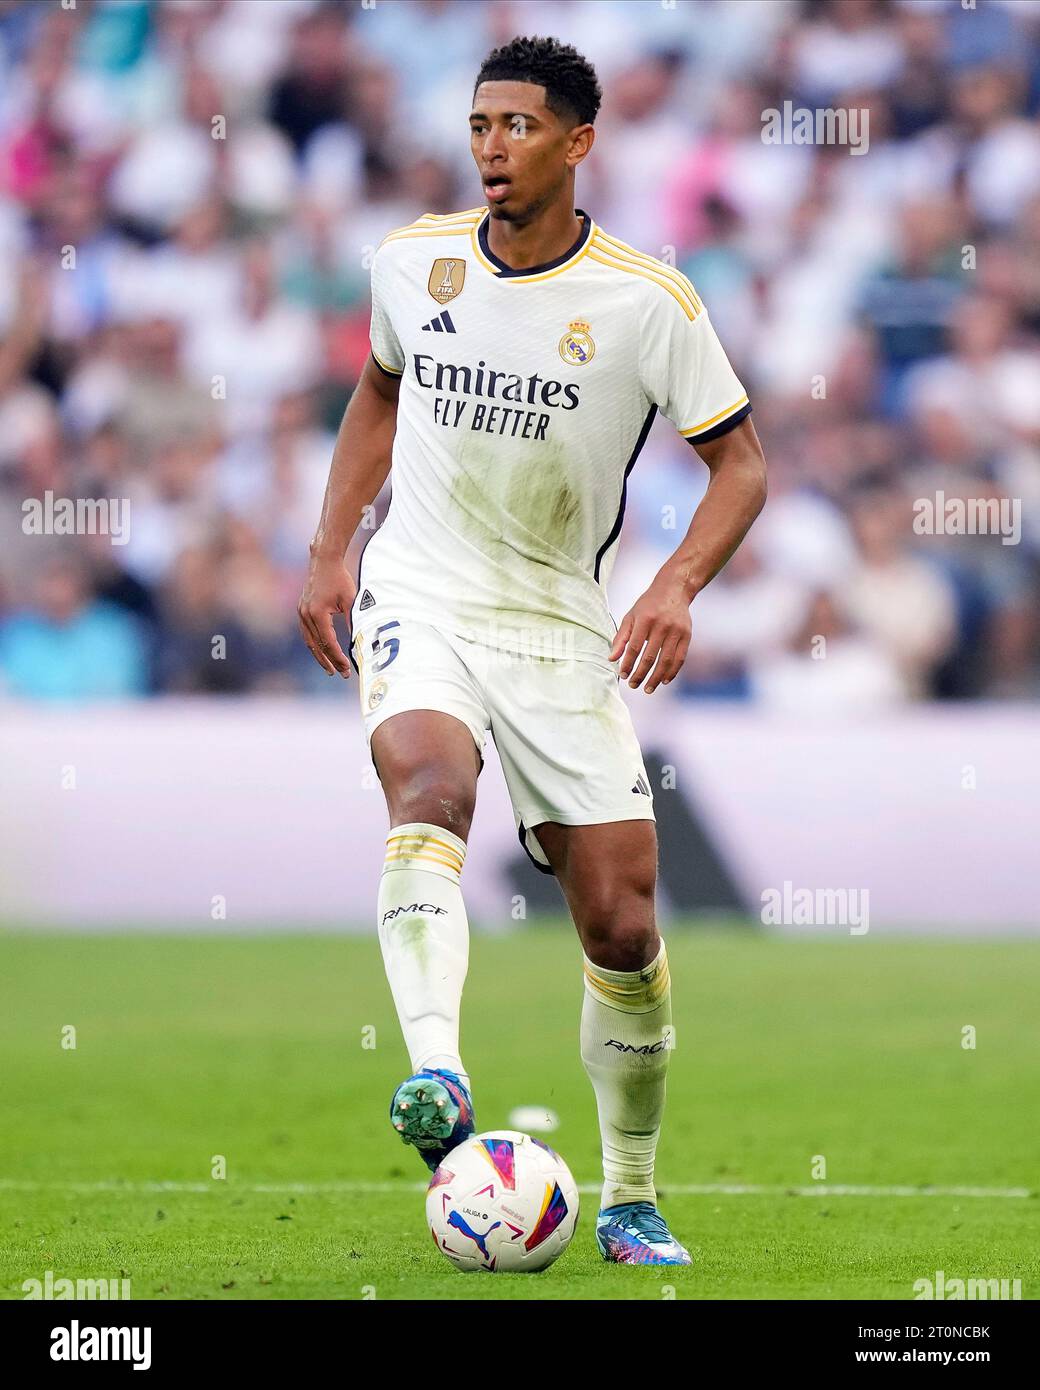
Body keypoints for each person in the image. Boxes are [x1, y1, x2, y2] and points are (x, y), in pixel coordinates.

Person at [299, 36, 767, 1267]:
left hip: (560, 623)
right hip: (425, 589)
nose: (490, 147)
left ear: (577, 142)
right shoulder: (414, 261)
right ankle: (439, 1077)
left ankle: (626, 1193)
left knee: (619, 925)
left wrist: (672, 585)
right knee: (428, 788)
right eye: (478, 124)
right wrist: (329, 548)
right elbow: (377, 392)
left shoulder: (646, 301)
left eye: (516, 126)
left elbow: (742, 462)